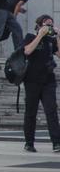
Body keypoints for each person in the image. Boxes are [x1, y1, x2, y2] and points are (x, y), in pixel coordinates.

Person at [20, 16, 60, 153]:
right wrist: (40, 35)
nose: (49, 27)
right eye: (46, 24)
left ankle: (56, 142)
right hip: (31, 81)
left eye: (51, 25)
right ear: (38, 25)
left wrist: (58, 36)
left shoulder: (51, 41)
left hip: (48, 80)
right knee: (31, 112)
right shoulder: (30, 36)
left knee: (52, 111)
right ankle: (29, 142)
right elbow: (27, 51)